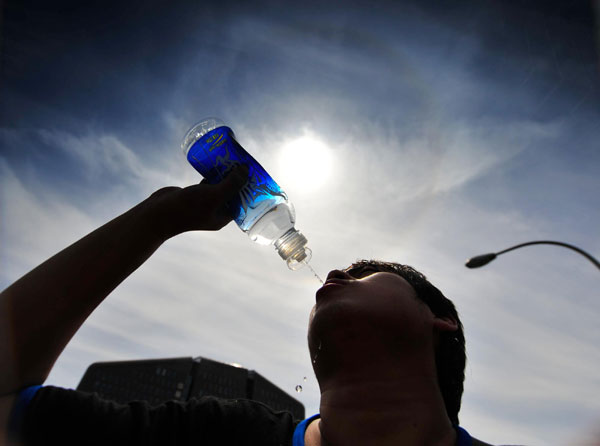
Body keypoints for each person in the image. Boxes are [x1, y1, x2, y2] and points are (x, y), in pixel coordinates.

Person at [0, 166, 494, 445]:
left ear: (441, 320)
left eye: (366, 274)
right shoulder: (213, 437)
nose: (340, 273)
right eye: (346, 270)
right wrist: (156, 219)